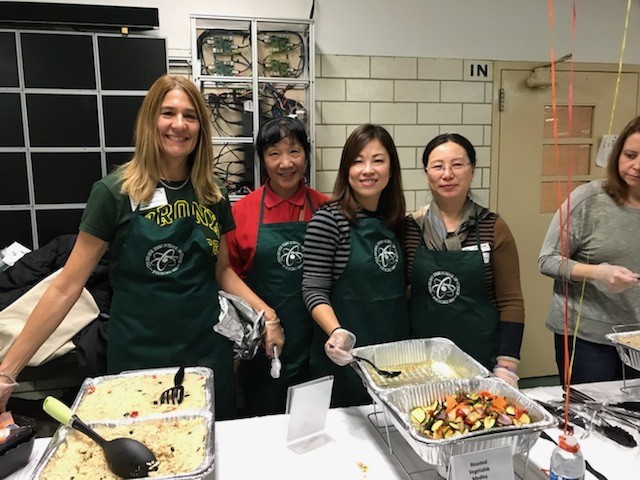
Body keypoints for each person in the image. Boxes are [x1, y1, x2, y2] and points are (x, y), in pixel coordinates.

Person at [0, 75, 284, 419]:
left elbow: (222, 271)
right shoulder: (114, 192)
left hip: (206, 353)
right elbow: (66, 286)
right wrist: (7, 371)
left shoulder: (213, 193)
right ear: (150, 121)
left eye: (190, 116)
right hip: (139, 354)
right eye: (168, 113)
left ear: (200, 128)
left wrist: (268, 314)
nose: (179, 124)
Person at [404, 133, 524, 387]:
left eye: (457, 165)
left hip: (480, 356)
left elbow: (511, 301)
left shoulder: (493, 227)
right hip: (422, 360)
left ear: (472, 170)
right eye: (438, 166)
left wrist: (507, 365)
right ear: (427, 173)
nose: (447, 174)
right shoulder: (410, 228)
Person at [227, 117, 328, 416]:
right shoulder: (241, 212)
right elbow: (227, 276)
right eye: (274, 153)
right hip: (265, 346)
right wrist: (267, 321)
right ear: (262, 159)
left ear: (306, 156)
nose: (285, 163)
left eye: (294, 151)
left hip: (319, 343)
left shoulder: (326, 209)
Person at [302, 124, 409, 408]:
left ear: (391, 169)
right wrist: (337, 332)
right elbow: (313, 289)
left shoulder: (396, 222)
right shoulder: (328, 220)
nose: (367, 170)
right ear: (346, 169)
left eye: (378, 160)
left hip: (392, 356)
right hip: (345, 359)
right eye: (358, 161)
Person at [539, 116, 640, 385]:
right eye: (630, 155)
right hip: (587, 336)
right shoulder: (589, 199)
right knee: (587, 408)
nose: (637, 165)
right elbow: (547, 260)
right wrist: (597, 273)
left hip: (637, 337)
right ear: (617, 155)